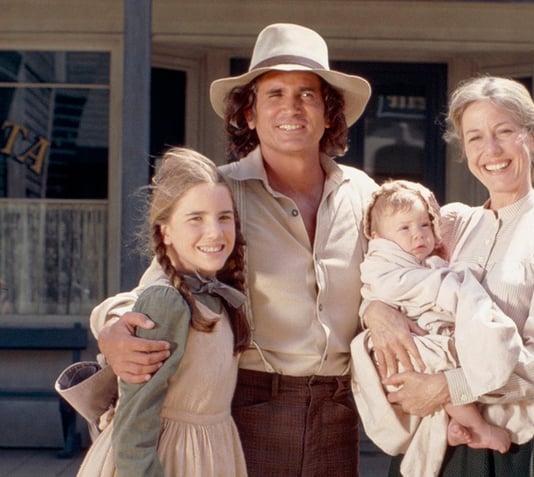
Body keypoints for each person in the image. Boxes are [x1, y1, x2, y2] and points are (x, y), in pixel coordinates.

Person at [89, 24, 379, 476]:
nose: (292, 107)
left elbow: (408, 263)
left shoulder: (363, 193)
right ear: (249, 114)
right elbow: (161, 281)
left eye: (307, 94)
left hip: (339, 414)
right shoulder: (219, 193)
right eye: (274, 94)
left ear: (328, 113)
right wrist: (111, 326)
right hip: (249, 406)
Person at [362, 76, 534, 477]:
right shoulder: (447, 223)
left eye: (504, 132)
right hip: (428, 438)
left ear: (533, 136)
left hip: (501, 443)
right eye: (475, 138)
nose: (491, 150)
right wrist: (375, 311)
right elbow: (392, 277)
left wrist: (443, 387)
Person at [77, 147, 251, 477]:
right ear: (165, 231)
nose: (215, 232)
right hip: (169, 459)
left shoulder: (217, 292)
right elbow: (134, 422)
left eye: (224, 217)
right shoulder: (167, 301)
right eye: (196, 218)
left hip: (213, 452)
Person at [351, 179, 526, 477]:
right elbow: (400, 287)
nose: (418, 234)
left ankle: (446, 433)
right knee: (444, 364)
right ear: (378, 237)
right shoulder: (381, 262)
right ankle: (479, 427)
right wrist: (450, 286)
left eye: (423, 225)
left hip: (422, 337)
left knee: (450, 367)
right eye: (404, 229)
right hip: (402, 349)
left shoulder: (433, 247)